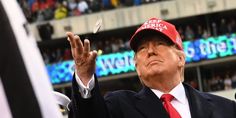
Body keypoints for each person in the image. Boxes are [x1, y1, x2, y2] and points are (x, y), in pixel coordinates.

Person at [66, 17, 236, 118]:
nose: (150, 51)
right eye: (141, 48)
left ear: (180, 58)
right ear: (137, 66)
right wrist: (84, 76)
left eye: (160, 44)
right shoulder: (118, 106)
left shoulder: (226, 109)